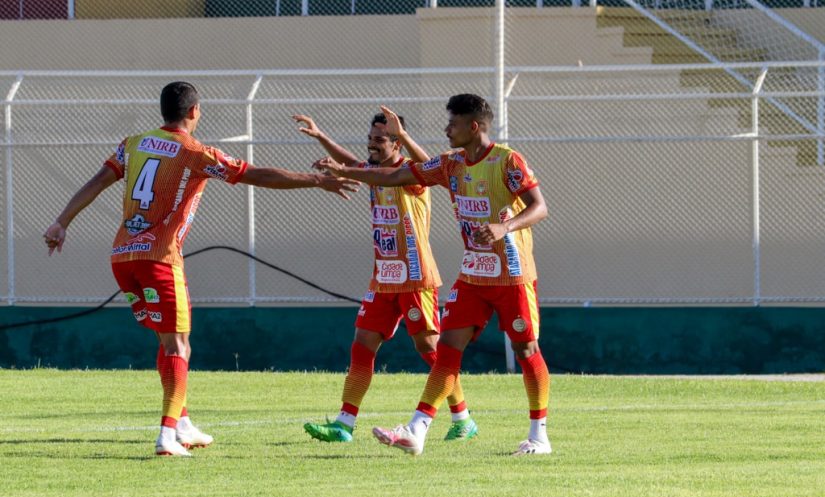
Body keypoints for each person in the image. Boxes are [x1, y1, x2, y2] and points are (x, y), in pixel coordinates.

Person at [44, 81, 357, 457]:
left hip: (124, 257)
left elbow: (97, 182)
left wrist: (61, 221)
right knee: (178, 344)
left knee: (166, 339)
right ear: (194, 112)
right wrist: (317, 180)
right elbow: (256, 175)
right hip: (160, 258)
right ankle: (166, 437)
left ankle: (183, 423)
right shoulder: (194, 151)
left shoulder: (133, 143)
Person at [315, 93, 551, 456]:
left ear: (473, 127)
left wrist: (506, 228)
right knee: (445, 349)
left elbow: (539, 207)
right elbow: (395, 174)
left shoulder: (508, 160)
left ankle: (538, 435)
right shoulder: (451, 163)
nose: (446, 130)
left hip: (513, 274)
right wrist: (344, 170)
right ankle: (417, 429)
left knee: (525, 348)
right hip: (472, 274)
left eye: (452, 124)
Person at [296, 108, 477, 443]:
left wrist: (406, 138)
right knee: (362, 343)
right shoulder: (373, 171)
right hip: (383, 276)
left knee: (431, 349)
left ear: (397, 143)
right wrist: (321, 136)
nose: (372, 146)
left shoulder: (410, 172)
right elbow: (351, 162)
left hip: (415, 276)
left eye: (380, 140)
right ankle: (344, 423)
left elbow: (432, 168)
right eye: (370, 140)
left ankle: (462, 417)